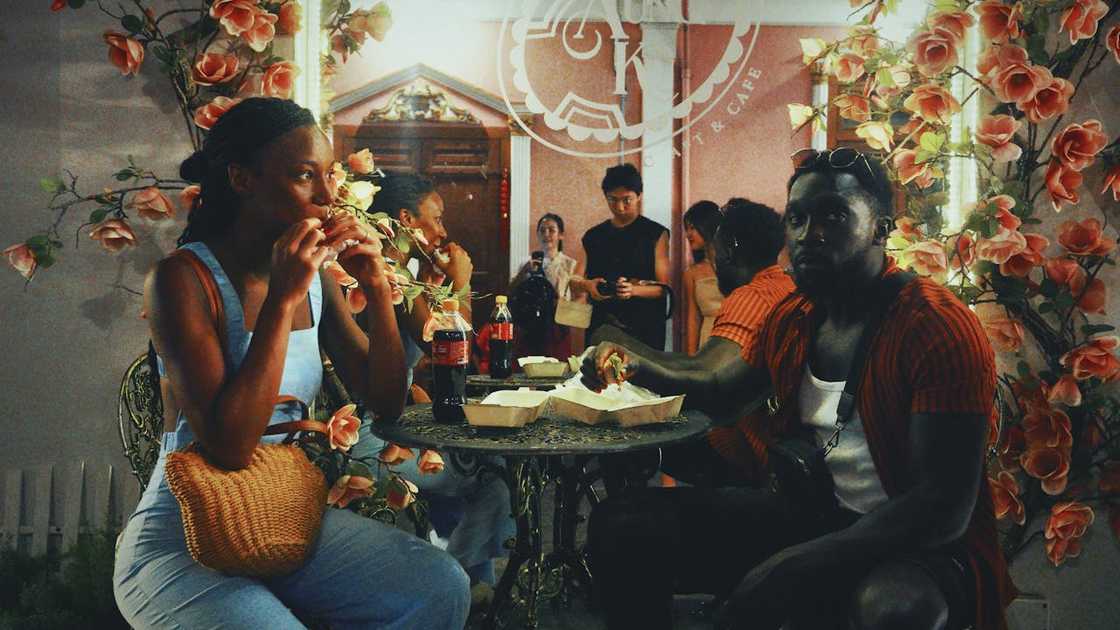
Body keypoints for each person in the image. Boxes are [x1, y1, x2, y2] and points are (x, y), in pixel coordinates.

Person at [585, 149, 1015, 630]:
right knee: (623, 525)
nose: (809, 235)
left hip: (917, 546)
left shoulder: (936, 326)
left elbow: (940, 508)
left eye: (834, 215)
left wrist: (795, 564)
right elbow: (724, 395)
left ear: (880, 228)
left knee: (891, 606)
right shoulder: (797, 316)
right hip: (817, 516)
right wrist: (628, 363)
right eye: (798, 218)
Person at [114, 98, 470, 629]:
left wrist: (376, 289)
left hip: (276, 515)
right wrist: (281, 300)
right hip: (183, 537)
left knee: (438, 585)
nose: (328, 196)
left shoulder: (318, 280)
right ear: (242, 178)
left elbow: (385, 401)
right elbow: (230, 448)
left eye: (329, 175)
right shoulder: (181, 281)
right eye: (306, 177)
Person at [359, 171, 515, 590]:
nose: (444, 230)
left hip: (386, 428)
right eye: (438, 218)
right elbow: (454, 349)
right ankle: (459, 579)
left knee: (484, 462)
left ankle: (468, 580)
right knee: (498, 474)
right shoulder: (390, 277)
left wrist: (435, 286)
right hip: (369, 443)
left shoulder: (396, 271)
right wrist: (461, 283)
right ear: (407, 220)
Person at [583, 198, 793, 488]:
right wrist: (622, 346)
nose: (713, 258)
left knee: (616, 439)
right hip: (773, 450)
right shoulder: (784, 285)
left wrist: (620, 348)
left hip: (745, 455)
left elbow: (706, 375)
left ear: (729, 248)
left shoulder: (752, 296)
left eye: (714, 247)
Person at [571, 163, 671, 351]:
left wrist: (632, 290)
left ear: (639, 196)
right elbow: (574, 280)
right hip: (602, 325)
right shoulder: (593, 236)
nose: (620, 207)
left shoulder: (655, 234)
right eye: (612, 200)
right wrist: (588, 285)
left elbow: (663, 288)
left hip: (644, 327)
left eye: (627, 200)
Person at [509, 213, 579, 360]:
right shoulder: (526, 263)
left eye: (551, 230)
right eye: (542, 230)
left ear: (561, 235)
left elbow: (578, 301)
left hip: (557, 325)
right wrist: (525, 272)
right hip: (528, 325)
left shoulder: (570, 265)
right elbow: (511, 291)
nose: (546, 234)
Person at [681, 200, 724, 354]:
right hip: (707, 340)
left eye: (692, 228)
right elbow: (693, 319)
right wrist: (692, 361)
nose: (688, 235)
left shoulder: (736, 266)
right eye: (686, 229)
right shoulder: (691, 273)